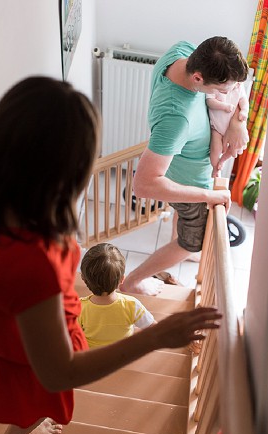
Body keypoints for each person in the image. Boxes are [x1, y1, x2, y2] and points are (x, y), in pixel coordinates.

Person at [0, 77, 221, 434]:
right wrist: (156, 337)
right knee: (28, 409)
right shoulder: (33, 262)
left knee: (13, 403)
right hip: (24, 365)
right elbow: (57, 373)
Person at [120, 36, 250, 296]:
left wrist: (239, 121)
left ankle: (173, 242)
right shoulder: (175, 118)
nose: (228, 94)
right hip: (188, 184)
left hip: (189, 168)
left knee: (182, 229)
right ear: (199, 79)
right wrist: (208, 195)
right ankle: (133, 281)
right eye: (222, 90)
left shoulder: (184, 51)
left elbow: (236, 89)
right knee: (193, 243)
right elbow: (143, 185)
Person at [78, 243, 156, 348]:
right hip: (121, 355)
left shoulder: (78, 308)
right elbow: (154, 328)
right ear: (122, 279)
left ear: (83, 278)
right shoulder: (132, 305)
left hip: (92, 357)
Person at [206, 81, 248, 178]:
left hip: (231, 127)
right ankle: (216, 167)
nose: (237, 84)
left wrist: (244, 111)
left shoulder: (239, 87)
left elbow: (244, 100)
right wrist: (223, 106)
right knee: (216, 150)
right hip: (217, 128)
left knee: (234, 149)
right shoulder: (215, 85)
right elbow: (210, 102)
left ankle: (222, 161)